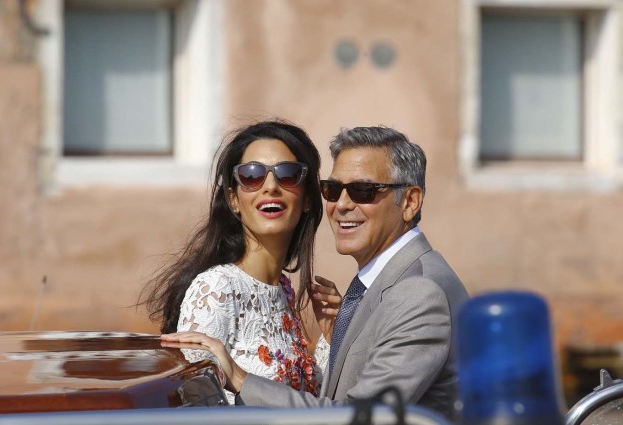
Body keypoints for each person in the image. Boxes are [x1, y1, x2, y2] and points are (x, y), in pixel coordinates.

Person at [162, 126, 469, 419]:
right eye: (333, 190)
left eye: (363, 191)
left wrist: (242, 379)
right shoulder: (217, 288)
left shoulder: (418, 292)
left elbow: (357, 416)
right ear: (233, 198)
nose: (342, 205)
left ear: (410, 201)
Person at [142, 120, 340, 404]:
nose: (270, 186)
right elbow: (194, 409)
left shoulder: (283, 290)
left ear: (307, 198)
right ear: (234, 199)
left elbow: (304, 403)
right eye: (251, 175)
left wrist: (332, 338)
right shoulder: (216, 288)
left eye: (287, 174)